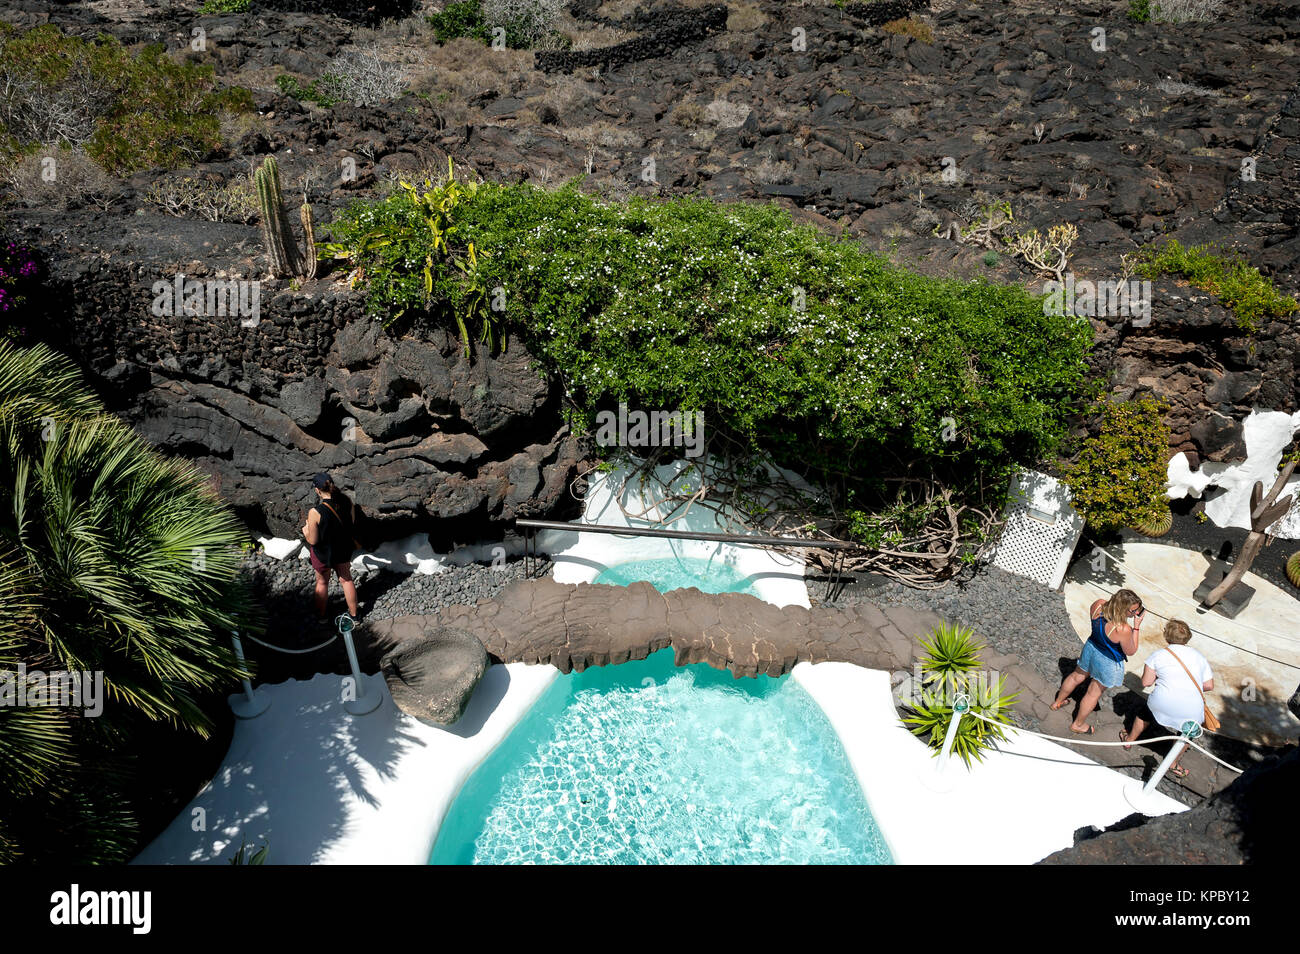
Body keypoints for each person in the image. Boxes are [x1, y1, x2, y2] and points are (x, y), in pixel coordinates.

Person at [1120, 619, 1214, 779]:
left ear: (1166, 636)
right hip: (1191, 709)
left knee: (1145, 713)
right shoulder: (1199, 657)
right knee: (1186, 733)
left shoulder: (1158, 655)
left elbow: (1146, 682)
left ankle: (1129, 739)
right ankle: (1173, 763)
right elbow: (1209, 685)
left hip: (1162, 702)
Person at [1050, 588, 1145, 734]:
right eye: (1132, 611)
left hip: (1092, 647)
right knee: (1093, 693)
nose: (1134, 614)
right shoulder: (1123, 628)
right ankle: (1078, 724)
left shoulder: (1098, 605)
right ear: (1124, 609)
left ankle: (1057, 702)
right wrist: (1137, 628)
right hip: (1108, 661)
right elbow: (1130, 651)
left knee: (1076, 676)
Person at [301, 472, 360, 623]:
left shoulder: (315, 512)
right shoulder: (347, 502)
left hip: (323, 553)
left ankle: (321, 618)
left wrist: (305, 531)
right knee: (346, 580)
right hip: (342, 549)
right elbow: (351, 524)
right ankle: (355, 616)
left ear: (317, 490)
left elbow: (313, 540)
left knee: (322, 582)